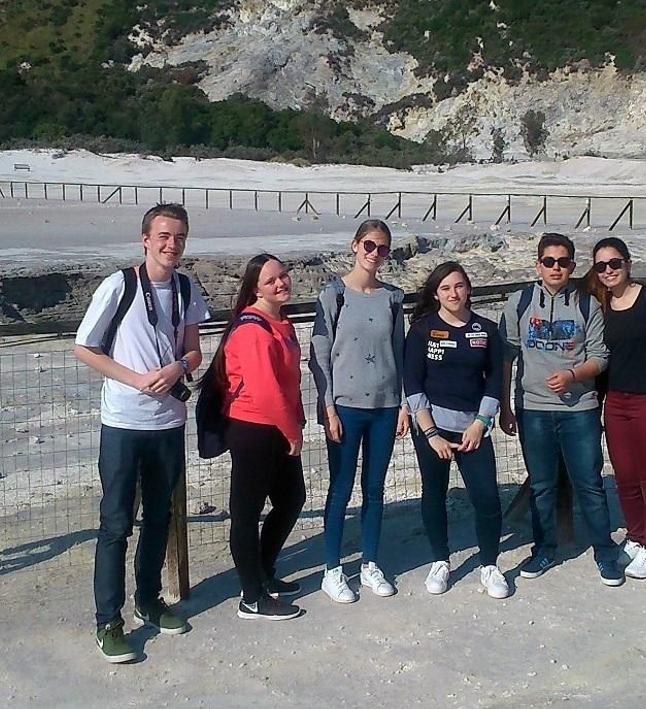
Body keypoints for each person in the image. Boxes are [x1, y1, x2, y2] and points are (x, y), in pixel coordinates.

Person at [74, 203, 208, 663]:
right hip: (124, 423)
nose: (172, 245)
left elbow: (194, 352)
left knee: (158, 518)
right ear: (145, 239)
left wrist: (176, 367)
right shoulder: (120, 285)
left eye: (180, 238)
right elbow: (85, 347)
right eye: (164, 236)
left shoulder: (187, 287)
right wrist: (133, 379)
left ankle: (149, 601)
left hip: (168, 422)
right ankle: (107, 622)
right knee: (115, 524)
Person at [498, 233, 624, 586]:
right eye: (549, 261)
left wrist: (573, 375)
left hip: (579, 409)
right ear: (538, 265)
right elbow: (506, 354)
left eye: (564, 261)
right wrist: (506, 406)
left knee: (589, 483)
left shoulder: (587, 305)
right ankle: (544, 548)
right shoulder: (520, 302)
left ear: (572, 265)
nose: (556, 267)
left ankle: (604, 550)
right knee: (542, 485)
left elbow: (600, 357)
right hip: (533, 409)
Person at [309, 220, 408, 603]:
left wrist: (401, 404)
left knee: (375, 488)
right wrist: (328, 406)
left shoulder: (393, 297)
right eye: (369, 245)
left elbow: (399, 353)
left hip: (384, 407)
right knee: (340, 489)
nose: (375, 254)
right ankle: (332, 569)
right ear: (354, 245)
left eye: (383, 248)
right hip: (347, 406)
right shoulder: (333, 295)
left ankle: (370, 562)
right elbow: (320, 354)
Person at [403, 262, 511, 599]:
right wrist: (431, 434)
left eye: (460, 286)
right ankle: (440, 561)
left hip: (473, 430)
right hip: (432, 428)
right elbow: (413, 383)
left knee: (487, 497)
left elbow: (494, 381)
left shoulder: (487, 330)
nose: (454, 293)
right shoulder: (421, 330)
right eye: (446, 288)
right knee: (434, 495)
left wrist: (481, 423)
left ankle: (490, 565)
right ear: (436, 293)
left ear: (469, 290)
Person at [585, 238, 646, 580]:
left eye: (615, 264)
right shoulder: (602, 304)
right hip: (617, 400)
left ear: (628, 263)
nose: (609, 271)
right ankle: (635, 535)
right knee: (624, 476)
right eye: (601, 266)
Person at [221, 253, 307, 621]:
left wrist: (294, 422)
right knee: (247, 512)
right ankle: (251, 597)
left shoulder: (280, 321)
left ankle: (264, 571)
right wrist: (293, 431)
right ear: (255, 288)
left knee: (291, 500)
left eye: (283, 276)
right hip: (253, 428)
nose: (281, 283)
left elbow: (288, 383)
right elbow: (265, 389)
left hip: (277, 426)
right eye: (271, 280)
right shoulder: (254, 328)